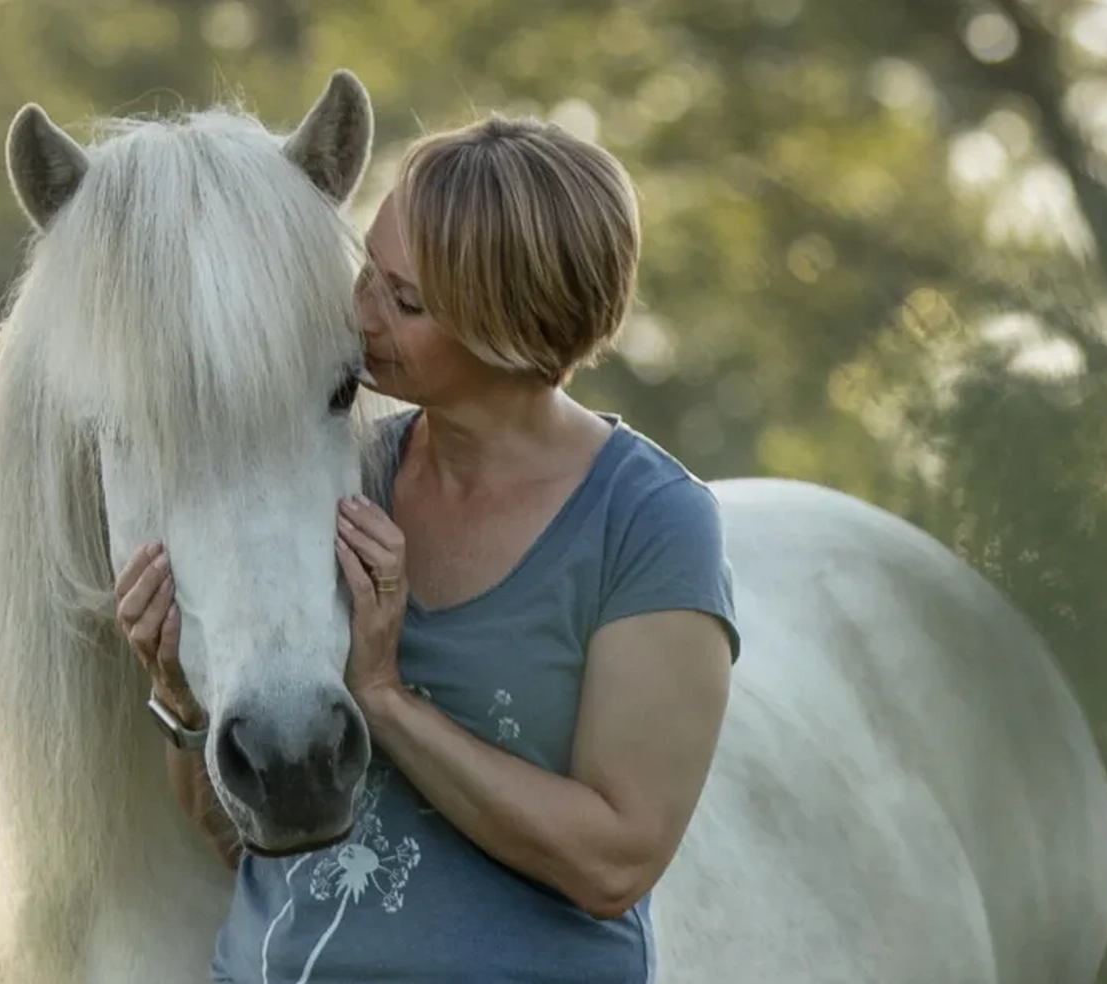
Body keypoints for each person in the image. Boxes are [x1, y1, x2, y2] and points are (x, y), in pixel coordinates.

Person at [115, 114, 739, 983]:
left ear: (512, 330)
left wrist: (385, 698)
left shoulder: (650, 523)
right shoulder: (345, 472)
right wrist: (185, 702)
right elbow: (242, 844)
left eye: (403, 301)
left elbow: (615, 864)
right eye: (365, 269)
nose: (357, 312)